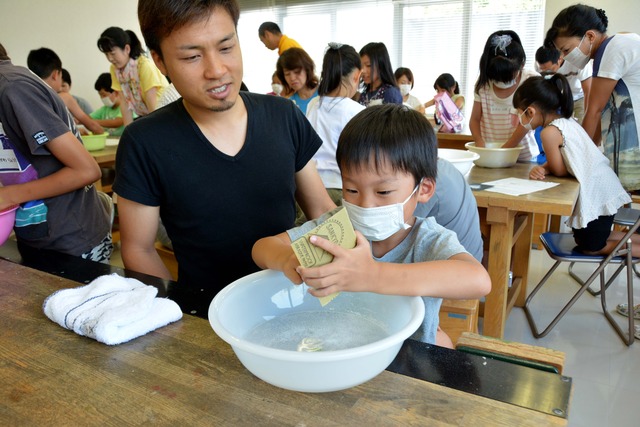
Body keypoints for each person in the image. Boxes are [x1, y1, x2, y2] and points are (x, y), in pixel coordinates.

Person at [115, 0, 335, 316]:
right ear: (160, 62)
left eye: (226, 47)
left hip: (296, 303)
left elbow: (322, 211)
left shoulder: (284, 117)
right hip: (204, 314)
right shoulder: (145, 141)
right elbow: (138, 248)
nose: (217, 70)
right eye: (191, 56)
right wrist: (178, 319)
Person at [252, 104, 491, 348]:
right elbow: (262, 247)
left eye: (383, 191)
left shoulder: (427, 240)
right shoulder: (337, 228)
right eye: (352, 190)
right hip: (343, 350)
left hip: (408, 362)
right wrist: (285, 258)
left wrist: (370, 275)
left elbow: (478, 280)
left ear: (424, 189)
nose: (366, 204)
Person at [0, 42, 112, 261]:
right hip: (37, 233)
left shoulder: (13, 89)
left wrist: (7, 195)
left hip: (71, 239)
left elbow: (87, 170)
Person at [517, 74, 635, 256]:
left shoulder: (548, 133)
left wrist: (547, 168)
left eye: (520, 112)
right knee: (588, 239)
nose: (520, 117)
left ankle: (630, 247)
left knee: (592, 248)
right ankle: (630, 240)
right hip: (604, 187)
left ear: (530, 111)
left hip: (598, 193)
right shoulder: (567, 122)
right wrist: (545, 167)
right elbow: (568, 160)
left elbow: (560, 170)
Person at [546, 5, 640, 192]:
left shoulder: (613, 48)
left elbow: (595, 110)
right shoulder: (618, 44)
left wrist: (574, 158)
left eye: (566, 50)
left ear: (589, 36)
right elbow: (598, 118)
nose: (564, 57)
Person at [305, 43, 365, 206]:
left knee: (309, 231)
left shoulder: (314, 104)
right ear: (356, 76)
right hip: (340, 188)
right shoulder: (357, 111)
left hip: (308, 187)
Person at [469, 30, 539, 162]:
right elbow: (474, 119)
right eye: (496, 76)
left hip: (523, 158)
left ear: (521, 65)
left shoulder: (530, 80)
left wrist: (504, 150)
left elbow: (528, 121)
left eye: (507, 76)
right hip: (491, 156)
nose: (501, 81)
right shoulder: (483, 84)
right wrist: (479, 142)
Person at [413, 158, 483, 263]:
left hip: (455, 270)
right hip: (469, 258)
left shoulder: (423, 181)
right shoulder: (441, 165)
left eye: (383, 192)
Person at [97, 26, 168, 126]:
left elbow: (151, 100)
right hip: (147, 114)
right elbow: (124, 102)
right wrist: (127, 130)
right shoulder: (114, 69)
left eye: (112, 53)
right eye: (106, 54)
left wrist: (155, 130)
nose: (110, 58)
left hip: (164, 112)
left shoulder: (144, 65)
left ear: (127, 49)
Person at [26, 48, 104, 136]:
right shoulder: (65, 97)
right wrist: (102, 133)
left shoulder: (27, 97)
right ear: (56, 75)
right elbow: (91, 125)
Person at [535, 46, 591, 124]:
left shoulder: (577, 63)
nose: (546, 72)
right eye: (542, 69)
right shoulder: (541, 66)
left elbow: (588, 90)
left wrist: (589, 111)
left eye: (549, 69)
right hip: (564, 97)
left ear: (560, 60)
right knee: (563, 124)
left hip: (580, 96)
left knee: (581, 124)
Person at [358, 42, 402, 107]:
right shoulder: (363, 94)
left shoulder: (391, 93)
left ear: (381, 65)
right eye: (361, 66)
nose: (363, 71)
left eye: (368, 65)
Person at [276, 47, 319, 114]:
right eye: (287, 74)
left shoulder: (325, 94)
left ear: (307, 69)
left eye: (297, 72)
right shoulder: (290, 105)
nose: (292, 78)